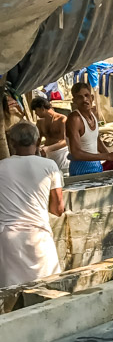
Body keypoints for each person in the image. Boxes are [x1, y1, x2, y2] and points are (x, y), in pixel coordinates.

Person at [0, 122, 64, 288]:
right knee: (48, 289)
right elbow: (58, 209)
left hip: (9, 240)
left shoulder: (1, 167)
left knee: (11, 296)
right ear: (37, 142)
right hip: (39, 237)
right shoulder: (50, 166)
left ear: (12, 143)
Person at [66, 82, 113, 176]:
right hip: (80, 168)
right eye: (80, 97)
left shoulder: (93, 115)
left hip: (96, 165)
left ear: (92, 98)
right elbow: (76, 153)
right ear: (74, 101)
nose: (84, 100)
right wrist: (108, 156)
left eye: (86, 95)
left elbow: (96, 141)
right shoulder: (74, 119)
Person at [31, 95, 69, 173]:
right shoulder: (40, 122)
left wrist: (49, 148)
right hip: (46, 154)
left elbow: (65, 141)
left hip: (61, 153)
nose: (36, 113)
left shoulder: (62, 119)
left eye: (36, 110)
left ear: (42, 108)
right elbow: (37, 141)